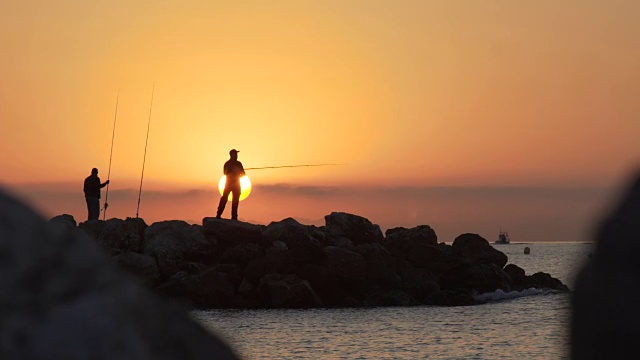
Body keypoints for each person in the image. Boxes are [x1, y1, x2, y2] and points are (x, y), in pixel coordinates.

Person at [216, 149, 245, 220]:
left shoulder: (239, 164)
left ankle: (234, 217)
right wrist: (232, 171)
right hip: (229, 184)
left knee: (235, 201)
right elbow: (225, 173)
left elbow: (243, 174)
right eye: (235, 154)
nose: (237, 155)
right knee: (224, 199)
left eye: (237, 154)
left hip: (237, 185)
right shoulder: (228, 164)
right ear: (232, 155)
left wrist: (239, 173)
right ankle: (218, 215)